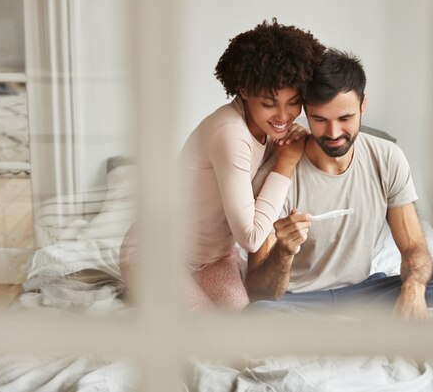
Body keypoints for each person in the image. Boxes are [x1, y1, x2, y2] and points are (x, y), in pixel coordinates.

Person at [245, 49, 433, 320]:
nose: (333, 134)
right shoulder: (277, 175)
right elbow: (258, 291)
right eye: (319, 120)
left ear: (363, 105)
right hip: (300, 300)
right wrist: (283, 252)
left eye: (345, 119)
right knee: (258, 314)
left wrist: (413, 288)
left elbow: (413, 248)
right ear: (306, 110)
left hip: (363, 293)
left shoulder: (387, 158)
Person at [119, 19, 325, 311]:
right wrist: (287, 162)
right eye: (269, 103)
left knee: (240, 321)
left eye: (293, 102)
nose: (284, 115)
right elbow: (252, 238)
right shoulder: (229, 133)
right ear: (243, 90)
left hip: (213, 259)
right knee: (204, 329)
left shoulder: (274, 132)